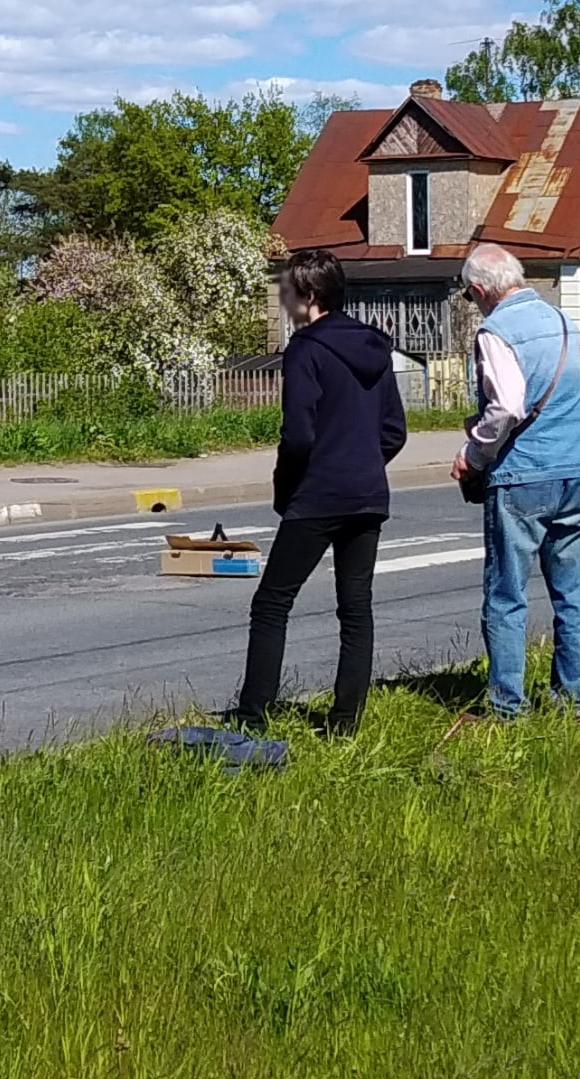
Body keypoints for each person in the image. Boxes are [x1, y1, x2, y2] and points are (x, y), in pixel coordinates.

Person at [228, 249, 406, 737]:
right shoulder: (376, 346)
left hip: (318, 494)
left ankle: (252, 715)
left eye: (286, 291)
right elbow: (394, 430)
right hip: (369, 493)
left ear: (309, 296)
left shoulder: (305, 349)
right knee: (355, 607)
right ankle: (345, 724)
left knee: (272, 603)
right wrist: (363, 465)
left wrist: (287, 486)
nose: (282, 299)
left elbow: (299, 435)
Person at [451, 243, 580, 721]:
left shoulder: (496, 331)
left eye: (470, 299)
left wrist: (472, 455)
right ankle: (575, 701)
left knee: (507, 595)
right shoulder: (563, 321)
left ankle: (507, 706)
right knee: (571, 593)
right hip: (575, 468)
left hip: (522, 475)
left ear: (478, 291)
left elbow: (507, 406)